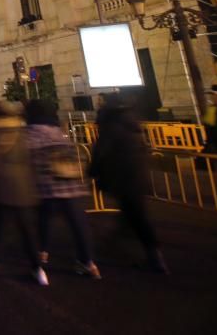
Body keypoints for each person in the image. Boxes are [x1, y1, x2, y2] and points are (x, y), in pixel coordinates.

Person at [0, 100, 48, 286]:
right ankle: (38, 269)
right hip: (24, 186)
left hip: (2, 186)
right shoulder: (22, 130)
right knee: (27, 230)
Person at [89, 93, 168, 273]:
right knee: (131, 212)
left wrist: (92, 170)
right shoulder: (131, 122)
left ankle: (155, 258)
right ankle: (116, 241)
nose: (98, 104)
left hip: (123, 175)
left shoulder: (111, 124)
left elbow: (102, 149)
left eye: (101, 101)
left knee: (137, 216)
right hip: (135, 174)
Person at [24, 99, 100, 279]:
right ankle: (88, 262)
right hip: (71, 186)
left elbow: (25, 160)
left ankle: (42, 255)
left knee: (43, 220)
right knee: (79, 225)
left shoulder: (30, 134)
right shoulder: (59, 132)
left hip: (46, 187)